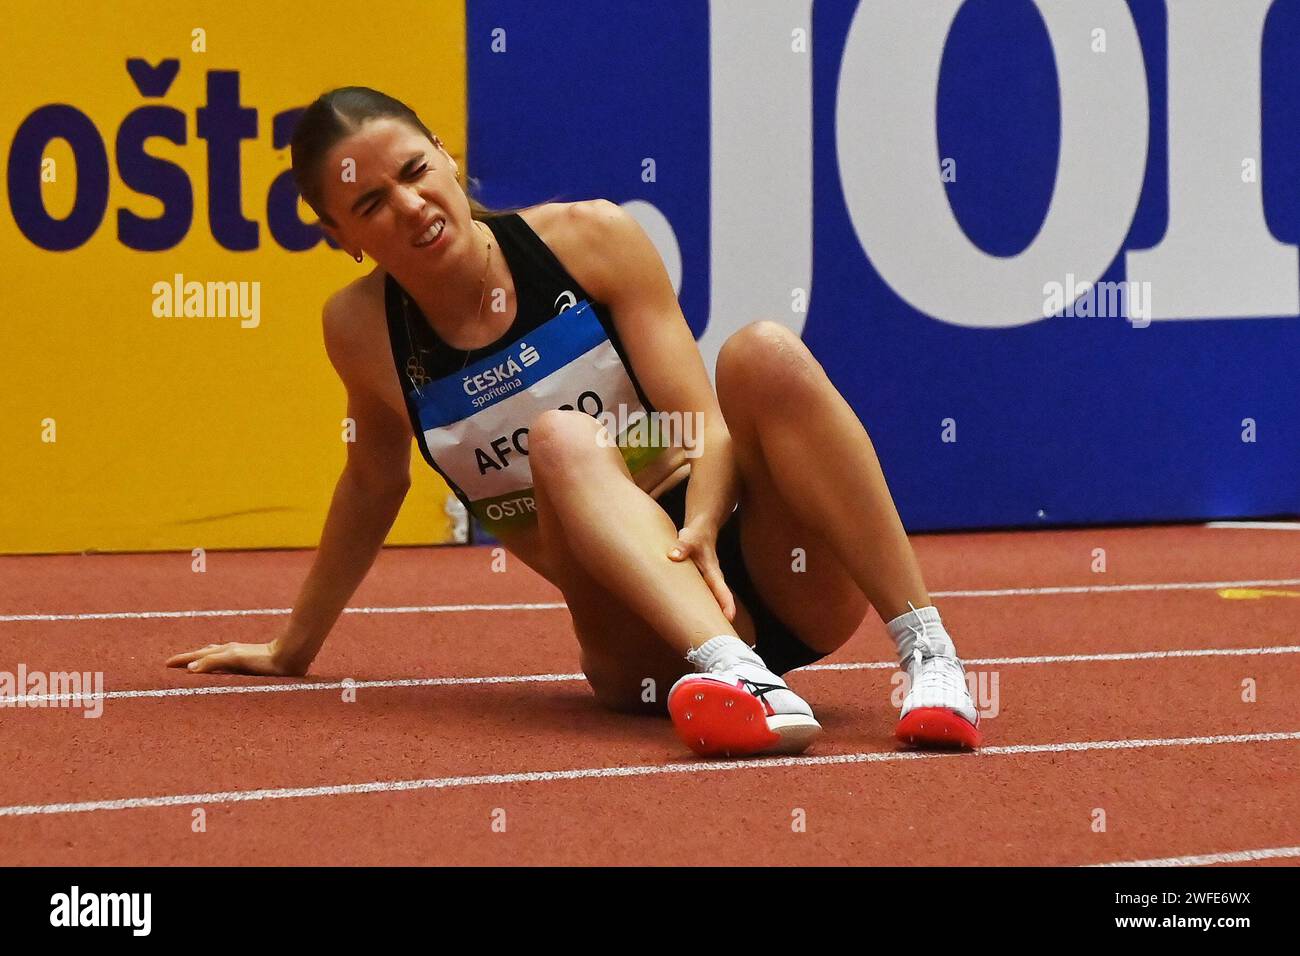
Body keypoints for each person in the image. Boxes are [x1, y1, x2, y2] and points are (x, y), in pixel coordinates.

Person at [166, 87, 981, 757]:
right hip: (641, 643)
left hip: (760, 567)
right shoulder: (358, 332)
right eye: (370, 204)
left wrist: (700, 527)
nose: (411, 206)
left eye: (416, 171)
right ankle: (736, 674)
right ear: (338, 238)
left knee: (763, 353)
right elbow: (374, 479)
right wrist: (293, 646)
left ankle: (929, 655)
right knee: (560, 437)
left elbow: (701, 425)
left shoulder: (591, 239)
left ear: (447, 155)